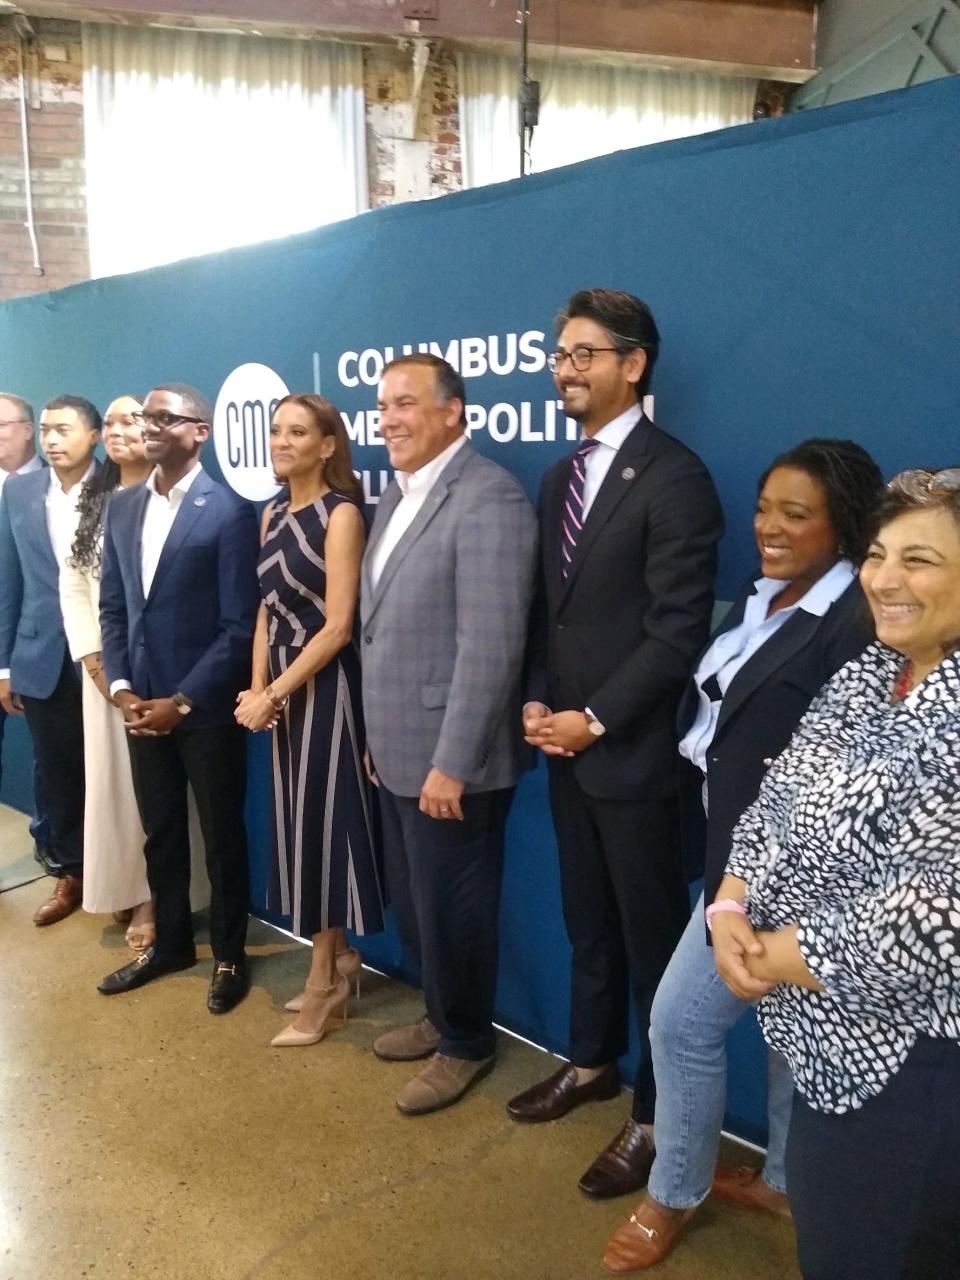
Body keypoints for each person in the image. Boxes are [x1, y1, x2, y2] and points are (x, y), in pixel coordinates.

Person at [600, 438, 883, 1272]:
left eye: (797, 515)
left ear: (843, 527)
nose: (770, 527)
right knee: (785, 1036)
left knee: (680, 1024)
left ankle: (672, 1194)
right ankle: (787, 1180)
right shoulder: (763, 600)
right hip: (731, 848)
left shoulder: (854, 622)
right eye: (765, 508)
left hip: (788, 873)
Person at [705, 466, 960, 1280]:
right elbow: (778, 791)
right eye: (880, 554)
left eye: (918, 561)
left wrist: (764, 958)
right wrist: (728, 908)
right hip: (822, 1049)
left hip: (914, 1074)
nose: (884, 579)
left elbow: (927, 919)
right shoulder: (870, 673)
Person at [507, 289, 723, 1199]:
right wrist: (535, 703)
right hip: (563, 754)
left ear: (634, 364)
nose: (566, 369)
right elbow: (549, 618)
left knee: (646, 944)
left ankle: (651, 1116)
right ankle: (590, 1062)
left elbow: (676, 635)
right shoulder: (562, 476)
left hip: (631, 762)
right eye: (559, 354)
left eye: (584, 354)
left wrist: (592, 719)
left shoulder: (676, 478)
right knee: (586, 925)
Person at [361, 353, 537, 1114]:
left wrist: (452, 764)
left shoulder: (489, 497)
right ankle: (440, 1017)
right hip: (399, 750)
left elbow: (490, 646)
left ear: (453, 411)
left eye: (406, 403)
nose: (390, 419)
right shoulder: (396, 496)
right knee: (420, 903)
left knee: (456, 910)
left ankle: (466, 1043)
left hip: (451, 764)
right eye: (383, 406)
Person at [96, 383, 260, 1014]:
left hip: (205, 710)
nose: (152, 427)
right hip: (140, 706)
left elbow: (238, 627)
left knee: (220, 837)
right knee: (159, 830)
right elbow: (115, 608)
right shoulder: (123, 507)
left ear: (201, 431)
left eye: (167, 418)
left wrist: (183, 700)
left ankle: (227, 953)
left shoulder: (226, 510)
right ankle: (169, 944)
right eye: (147, 417)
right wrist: (122, 688)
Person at [235, 393, 384, 1045]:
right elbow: (268, 609)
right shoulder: (270, 513)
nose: (282, 441)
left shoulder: (341, 513)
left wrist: (277, 693)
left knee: (325, 830)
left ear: (328, 445)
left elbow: (339, 625)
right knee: (302, 827)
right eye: (275, 431)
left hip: (329, 689)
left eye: (298, 432)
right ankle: (339, 956)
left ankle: (324, 981)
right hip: (286, 692)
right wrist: (257, 686)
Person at [0, 395, 102, 925]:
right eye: (45, 430)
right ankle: (71, 874)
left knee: (111, 776)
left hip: (105, 660)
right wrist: (5, 665)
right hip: (41, 656)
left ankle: (124, 881)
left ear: (94, 435)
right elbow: (10, 580)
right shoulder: (19, 491)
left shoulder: (119, 488)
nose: (52, 439)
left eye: (64, 429)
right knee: (59, 776)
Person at [60, 395, 155, 947]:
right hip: (102, 678)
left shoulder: (168, 498)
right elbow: (72, 586)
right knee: (113, 791)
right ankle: (122, 887)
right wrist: (95, 662)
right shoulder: (93, 500)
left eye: (132, 421)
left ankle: (154, 896)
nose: (119, 431)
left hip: (154, 677)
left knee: (153, 795)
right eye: (112, 422)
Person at [0, 392, 50, 864]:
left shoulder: (59, 482)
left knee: (49, 761)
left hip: (36, 650)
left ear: (29, 429)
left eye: (2, 424)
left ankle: (52, 851)